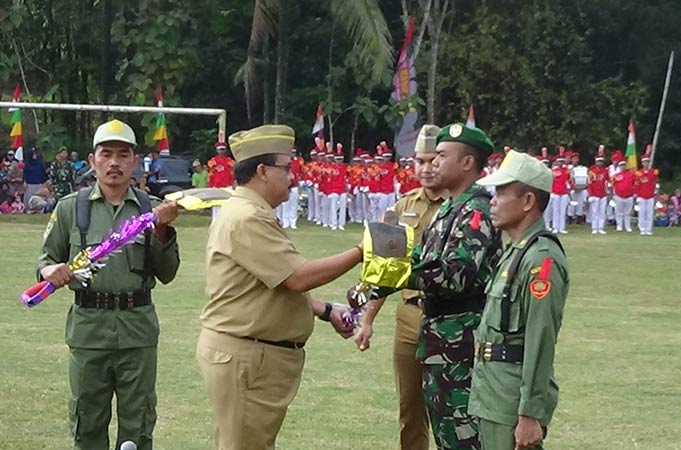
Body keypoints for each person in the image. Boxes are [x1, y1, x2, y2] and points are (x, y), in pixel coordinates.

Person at [196, 124, 360, 450]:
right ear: (261, 171)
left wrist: (325, 311)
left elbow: (268, 285)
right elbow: (297, 277)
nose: (293, 177)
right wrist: (363, 251)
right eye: (286, 168)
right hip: (247, 358)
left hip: (253, 356)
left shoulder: (250, 212)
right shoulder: (246, 217)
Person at [36, 119, 180, 450]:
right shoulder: (72, 208)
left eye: (123, 154)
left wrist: (163, 231)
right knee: (87, 421)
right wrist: (49, 271)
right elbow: (44, 260)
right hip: (89, 331)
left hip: (137, 331)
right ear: (92, 161)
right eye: (106, 154)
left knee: (138, 423)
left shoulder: (151, 209)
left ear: (134, 161)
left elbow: (168, 273)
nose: (114, 162)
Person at [371, 123, 502, 450]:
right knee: (444, 431)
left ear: (467, 164)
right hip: (439, 340)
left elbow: (455, 275)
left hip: (460, 341)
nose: (433, 164)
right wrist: (372, 287)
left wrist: (396, 272)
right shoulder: (450, 209)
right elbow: (422, 260)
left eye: (441, 156)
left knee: (464, 436)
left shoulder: (476, 210)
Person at [468, 150, 569, 450]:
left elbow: (540, 340)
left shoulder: (541, 259)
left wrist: (530, 413)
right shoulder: (516, 252)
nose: (493, 201)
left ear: (528, 202)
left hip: (511, 398)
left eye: (501, 192)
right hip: (493, 390)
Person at [355, 125, 445, 450]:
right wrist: (366, 320)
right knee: (410, 411)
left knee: (454, 413)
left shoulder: (464, 209)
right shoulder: (402, 206)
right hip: (409, 320)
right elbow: (383, 270)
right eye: (419, 161)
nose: (425, 168)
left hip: (451, 321)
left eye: (433, 160)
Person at [208, 141, 236, 220]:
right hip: (216, 186)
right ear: (217, 150)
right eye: (220, 149)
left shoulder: (229, 161)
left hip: (228, 186)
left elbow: (233, 173)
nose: (221, 151)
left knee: (227, 204)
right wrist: (210, 185)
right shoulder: (213, 161)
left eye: (223, 149)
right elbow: (211, 174)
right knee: (216, 205)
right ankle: (215, 220)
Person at [634, 147, 658, 235]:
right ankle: (642, 228)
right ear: (642, 163)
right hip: (642, 195)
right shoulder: (638, 173)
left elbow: (655, 183)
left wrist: (655, 194)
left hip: (650, 195)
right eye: (644, 162)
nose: (646, 163)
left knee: (649, 213)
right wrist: (637, 195)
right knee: (642, 213)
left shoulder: (653, 172)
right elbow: (637, 185)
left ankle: (648, 229)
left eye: (647, 162)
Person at [587, 147, 609, 234]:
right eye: (598, 161)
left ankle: (600, 227)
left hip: (603, 193)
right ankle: (594, 227)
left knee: (602, 211)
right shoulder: (592, 171)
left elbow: (607, 181)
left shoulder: (605, 171)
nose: (600, 163)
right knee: (595, 211)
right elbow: (590, 183)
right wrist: (591, 194)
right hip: (595, 193)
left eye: (601, 161)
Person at [549, 153, 571, 234]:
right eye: (559, 162)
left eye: (562, 161)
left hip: (564, 192)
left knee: (563, 210)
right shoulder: (554, 171)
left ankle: (562, 227)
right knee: (556, 210)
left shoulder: (567, 170)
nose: (561, 163)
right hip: (555, 192)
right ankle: (555, 227)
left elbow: (569, 180)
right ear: (557, 162)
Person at [611, 160, 635, 232]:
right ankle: (619, 226)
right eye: (621, 166)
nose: (623, 167)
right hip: (619, 195)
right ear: (619, 167)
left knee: (627, 212)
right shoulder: (616, 175)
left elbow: (635, 184)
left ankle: (627, 226)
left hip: (629, 196)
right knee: (618, 212)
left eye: (624, 165)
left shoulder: (631, 174)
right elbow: (612, 185)